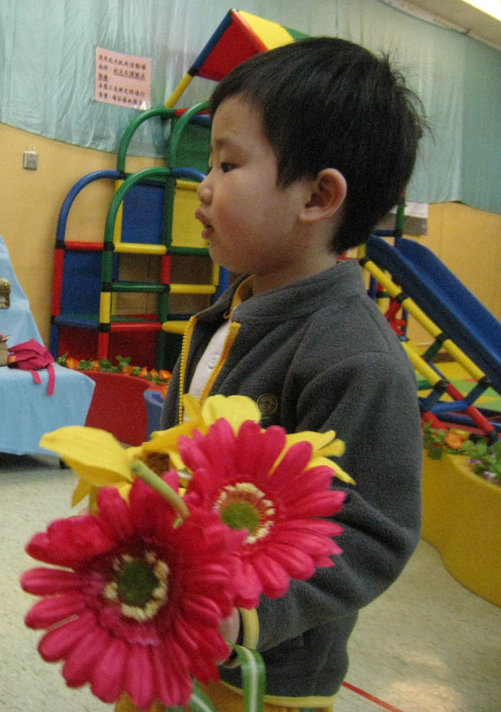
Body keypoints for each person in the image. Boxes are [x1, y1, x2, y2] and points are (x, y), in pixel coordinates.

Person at [122, 37, 428, 711]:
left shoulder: (357, 359)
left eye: (229, 164)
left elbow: (372, 535)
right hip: (171, 637)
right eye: (211, 162)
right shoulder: (231, 313)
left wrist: (245, 614)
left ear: (317, 196)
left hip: (263, 680)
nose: (204, 185)